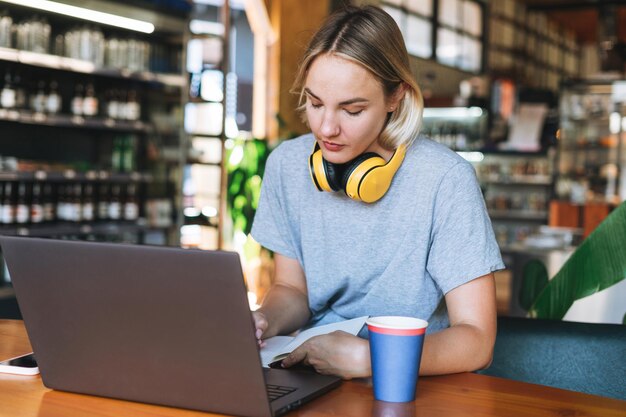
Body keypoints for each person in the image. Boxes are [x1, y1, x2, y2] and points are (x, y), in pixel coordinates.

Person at [250, 5, 504, 379]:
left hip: (411, 386)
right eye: (315, 103)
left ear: (394, 97)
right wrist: (264, 321)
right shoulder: (287, 164)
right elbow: (291, 288)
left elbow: (477, 340)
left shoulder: (445, 179)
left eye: (351, 110)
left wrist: (372, 359)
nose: (326, 128)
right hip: (316, 373)